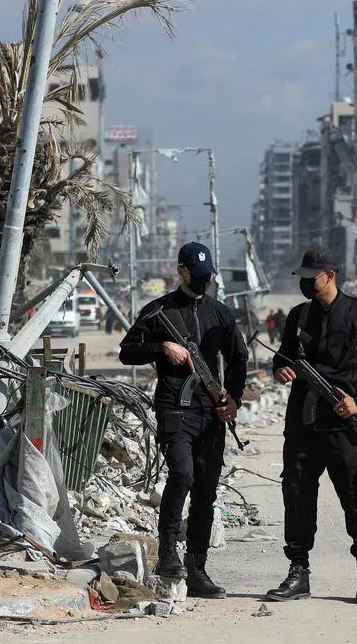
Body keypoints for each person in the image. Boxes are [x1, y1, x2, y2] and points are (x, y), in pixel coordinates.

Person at [266, 250, 357, 605]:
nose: (305, 282)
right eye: (303, 275)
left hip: (343, 424)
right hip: (302, 426)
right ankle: (298, 572)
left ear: (330, 274)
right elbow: (282, 358)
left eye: (312, 276)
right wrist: (280, 370)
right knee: (297, 497)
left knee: (356, 497)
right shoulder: (298, 316)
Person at [119, 242, 249, 599]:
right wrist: (162, 348)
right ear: (182, 271)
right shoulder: (159, 311)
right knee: (183, 475)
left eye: (209, 277)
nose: (204, 283)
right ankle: (168, 553)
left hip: (210, 411)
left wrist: (233, 399)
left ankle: (197, 568)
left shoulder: (220, 314)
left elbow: (239, 359)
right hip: (174, 408)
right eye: (199, 276)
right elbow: (126, 351)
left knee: (206, 490)